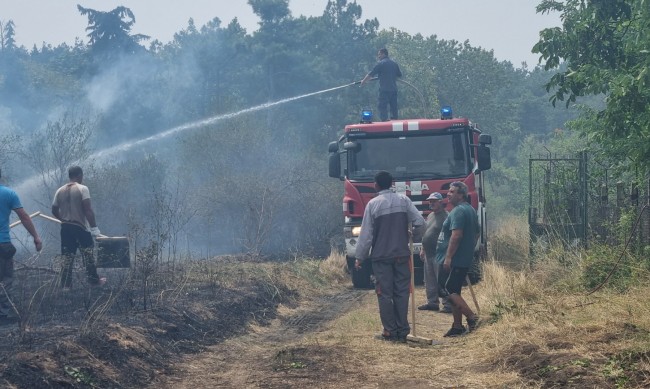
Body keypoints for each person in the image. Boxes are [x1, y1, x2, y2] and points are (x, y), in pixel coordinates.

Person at [355, 171, 425, 343]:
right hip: (402, 255)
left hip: (381, 257)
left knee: (385, 294)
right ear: (392, 183)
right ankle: (403, 330)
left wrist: (359, 257)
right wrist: (414, 237)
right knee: (402, 292)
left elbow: (366, 235)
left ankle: (389, 331)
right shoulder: (404, 201)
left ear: (376, 185)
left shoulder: (373, 205)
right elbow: (421, 223)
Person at [437, 181, 481, 337]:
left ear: (461, 194)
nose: (448, 194)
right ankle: (457, 326)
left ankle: (472, 317)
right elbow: (476, 234)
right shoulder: (470, 210)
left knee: (447, 290)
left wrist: (448, 258)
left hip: (454, 260)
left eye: (452, 191)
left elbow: (456, 235)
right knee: (455, 291)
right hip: (462, 258)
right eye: (448, 191)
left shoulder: (458, 211)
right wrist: (468, 250)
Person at [0, 168, 43, 323]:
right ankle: (3, 314)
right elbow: (24, 216)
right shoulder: (8, 194)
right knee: (6, 279)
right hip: (2, 243)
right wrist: (36, 237)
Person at [52, 166, 105, 288]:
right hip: (80, 228)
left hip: (65, 229)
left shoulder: (59, 190)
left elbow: (54, 209)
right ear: (79, 175)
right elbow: (88, 210)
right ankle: (94, 281)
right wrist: (94, 228)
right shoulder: (83, 188)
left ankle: (66, 286)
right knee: (88, 255)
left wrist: (63, 219)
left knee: (67, 257)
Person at [418, 192, 452, 313]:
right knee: (429, 280)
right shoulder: (431, 215)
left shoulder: (446, 217)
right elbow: (426, 233)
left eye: (434, 201)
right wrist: (422, 248)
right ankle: (432, 302)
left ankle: (448, 304)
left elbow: (449, 235)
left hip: (439, 254)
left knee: (442, 280)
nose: (431, 203)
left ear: (441, 202)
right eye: (430, 201)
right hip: (428, 252)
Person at [360, 48, 402, 121]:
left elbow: (371, 74)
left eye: (379, 54)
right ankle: (394, 120)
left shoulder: (381, 64)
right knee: (394, 107)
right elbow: (399, 75)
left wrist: (363, 81)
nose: (378, 56)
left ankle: (384, 121)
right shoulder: (394, 64)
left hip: (384, 90)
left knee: (382, 106)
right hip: (393, 90)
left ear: (383, 54)